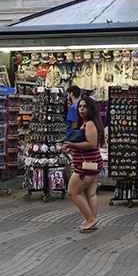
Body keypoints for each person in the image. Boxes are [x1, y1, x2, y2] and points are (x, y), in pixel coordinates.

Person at [62, 96, 104, 232]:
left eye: (85, 106)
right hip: (92, 164)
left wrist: (72, 144)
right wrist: (71, 147)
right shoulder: (89, 123)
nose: (81, 109)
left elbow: (91, 144)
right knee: (91, 193)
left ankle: (90, 219)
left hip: (86, 166)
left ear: (90, 108)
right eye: (80, 106)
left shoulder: (90, 124)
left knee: (73, 192)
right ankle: (92, 220)